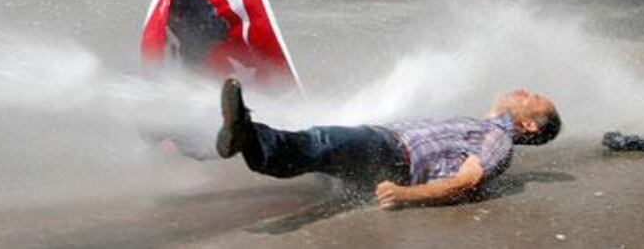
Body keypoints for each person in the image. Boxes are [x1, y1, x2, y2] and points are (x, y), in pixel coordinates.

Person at [216, 79, 561, 209]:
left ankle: (252, 139)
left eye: (533, 97)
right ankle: (240, 139)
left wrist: (404, 195)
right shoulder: (486, 126)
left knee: (324, 142)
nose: (525, 91)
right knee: (322, 150)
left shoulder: (499, 140)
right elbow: (499, 109)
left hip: (393, 155)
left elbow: (468, 182)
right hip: (387, 150)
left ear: (527, 124)